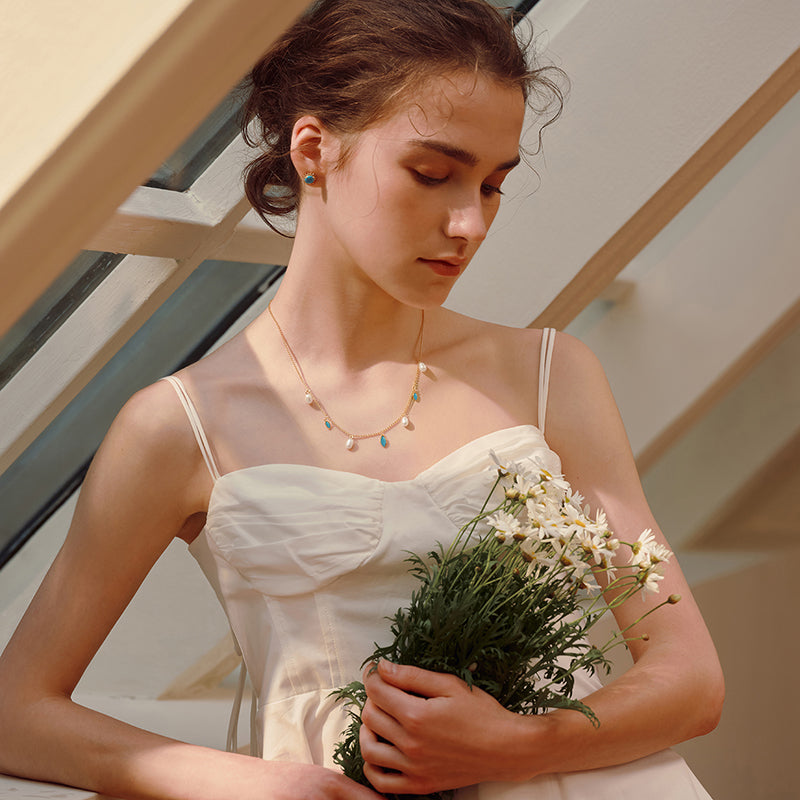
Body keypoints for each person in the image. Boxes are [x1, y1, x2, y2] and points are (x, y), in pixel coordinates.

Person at [0, 0, 724, 798]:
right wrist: (251, 785)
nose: (469, 223)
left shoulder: (550, 372)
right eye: (432, 173)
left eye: (491, 185)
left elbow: (692, 678)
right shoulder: (180, 428)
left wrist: (515, 746)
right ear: (315, 150)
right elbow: (16, 712)